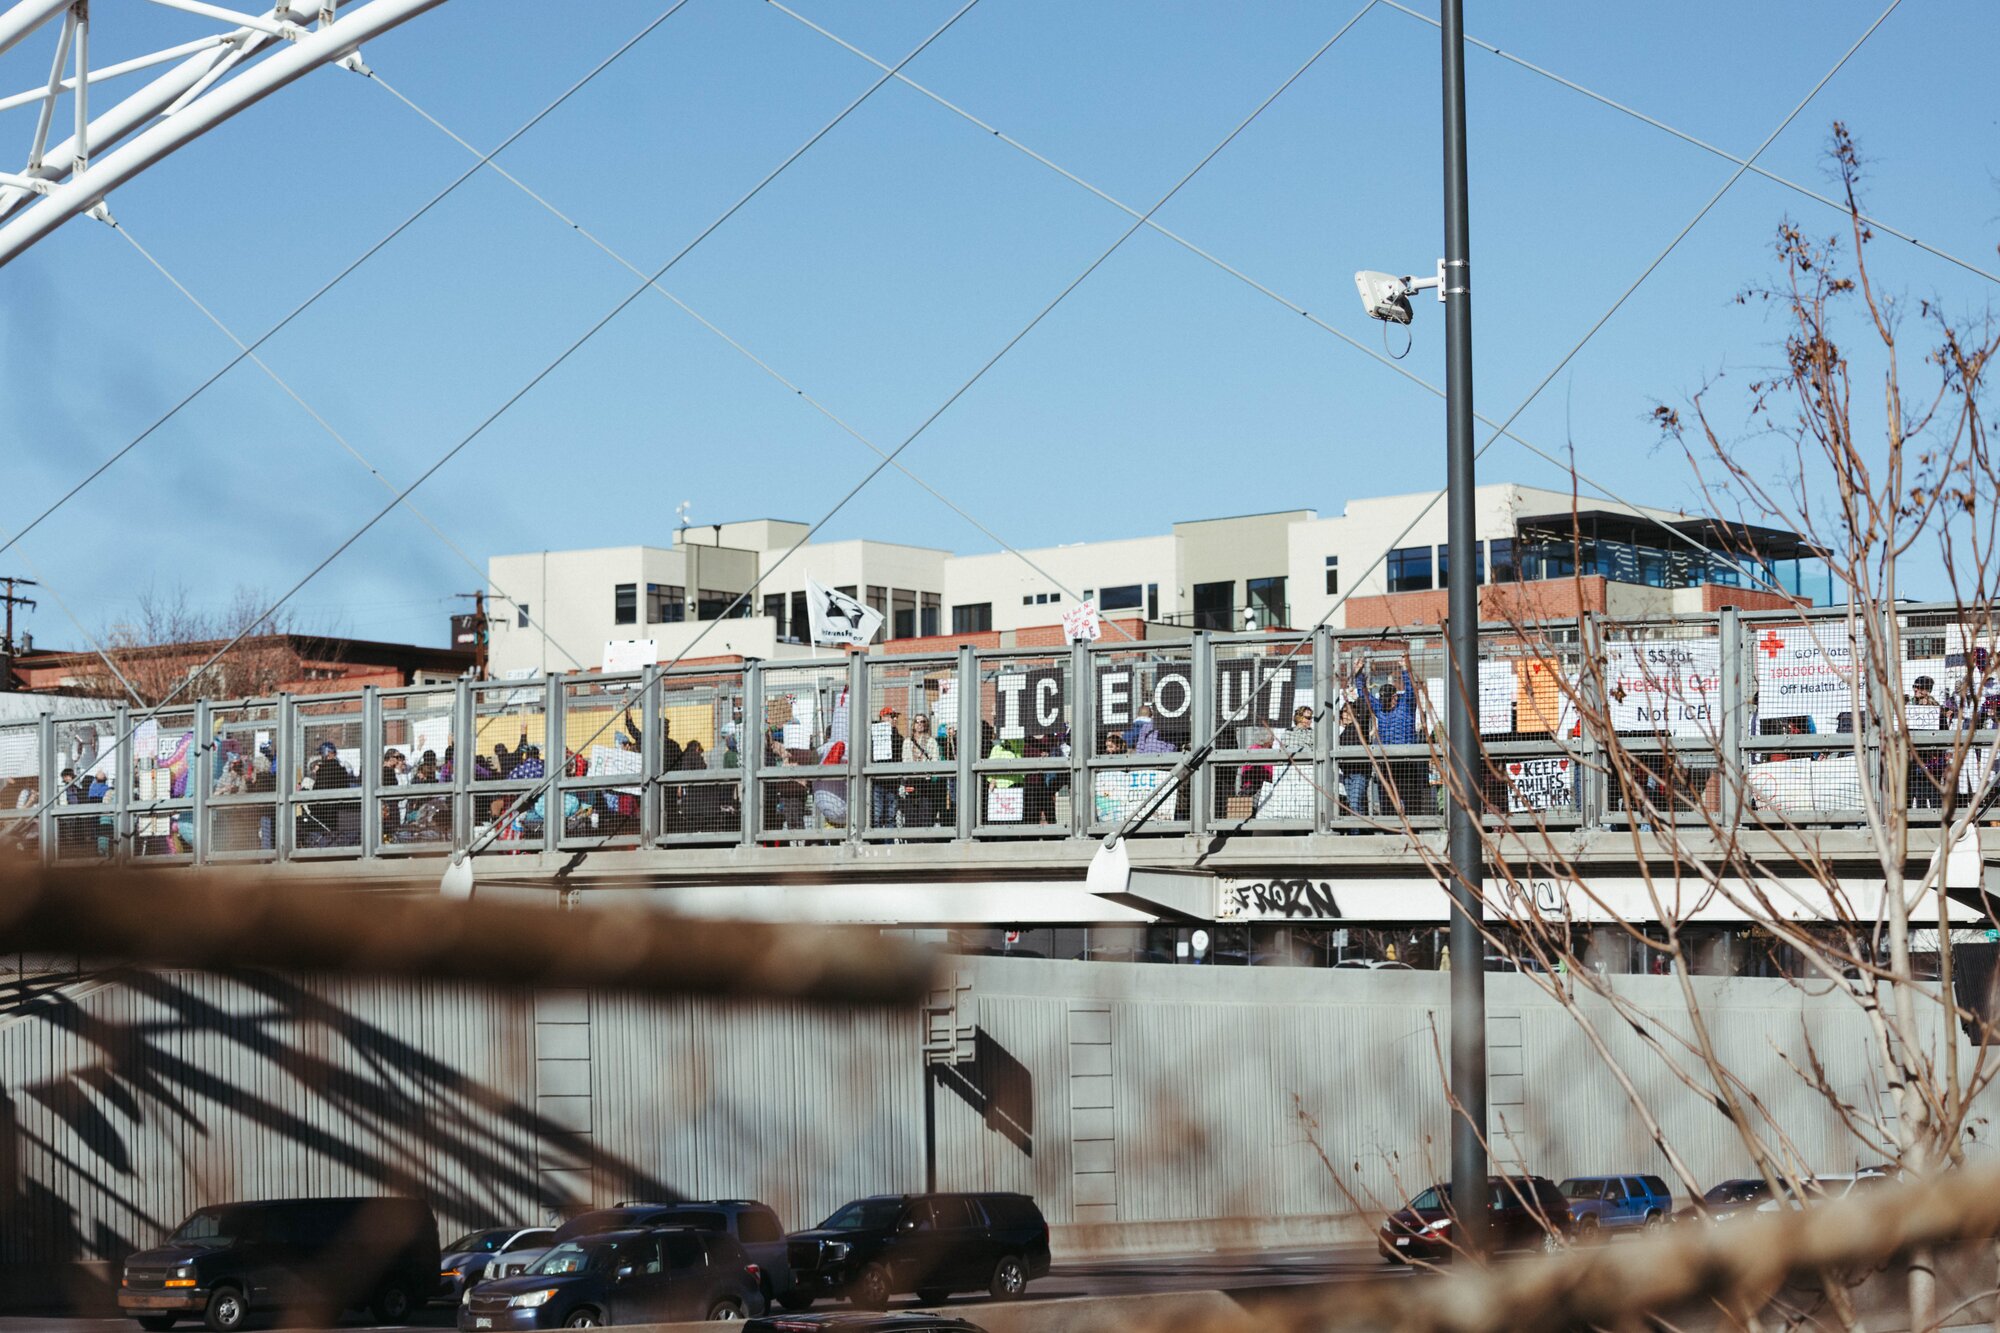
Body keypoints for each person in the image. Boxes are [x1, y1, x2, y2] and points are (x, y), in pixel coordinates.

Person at [900, 712, 943, 827]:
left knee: (926, 812)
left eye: (922, 721)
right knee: (910, 814)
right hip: (911, 779)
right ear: (913, 725)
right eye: (917, 722)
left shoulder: (931, 741)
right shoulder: (907, 742)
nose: (919, 724)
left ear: (926, 724)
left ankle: (925, 839)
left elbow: (936, 760)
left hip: (925, 781)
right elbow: (905, 760)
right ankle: (911, 840)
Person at [1336, 699, 1371, 825]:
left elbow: (1365, 709)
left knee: (1355, 803)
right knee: (1357, 804)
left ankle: (1355, 832)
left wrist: (1355, 695)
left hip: (1359, 773)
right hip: (1347, 774)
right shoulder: (1340, 732)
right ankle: (1363, 831)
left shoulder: (1360, 726)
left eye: (1350, 712)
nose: (1346, 715)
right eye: (1344, 712)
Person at [869, 706, 904, 832]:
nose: (894, 719)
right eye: (891, 716)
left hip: (892, 781)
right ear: (882, 718)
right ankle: (876, 845)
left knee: (891, 816)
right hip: (877, 780)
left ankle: (889, 845)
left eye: (895, 716)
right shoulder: (873, 736)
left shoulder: (898, 738)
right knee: (876, 816)